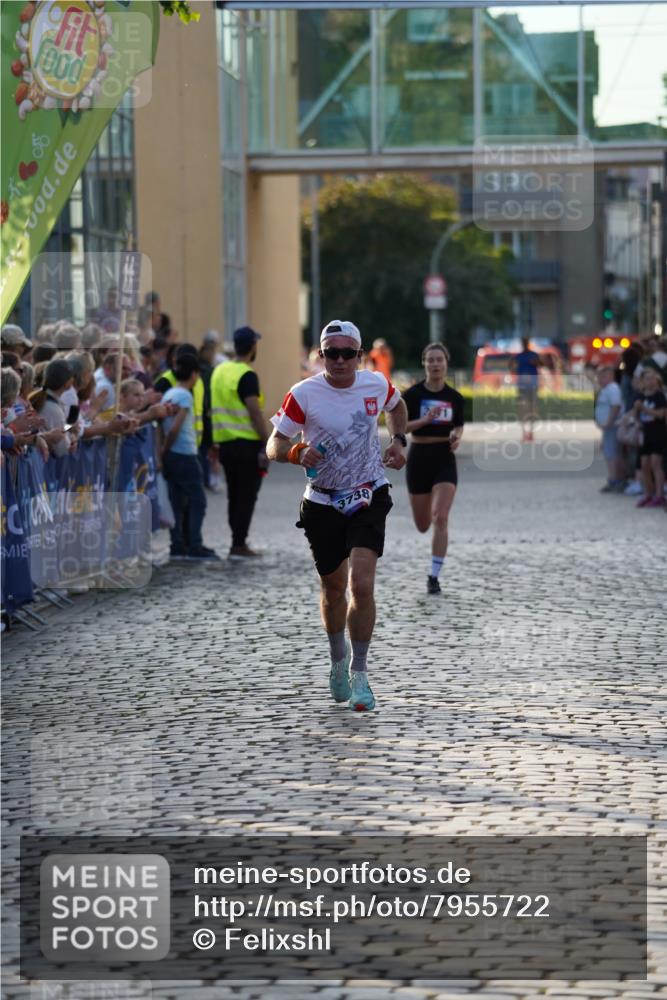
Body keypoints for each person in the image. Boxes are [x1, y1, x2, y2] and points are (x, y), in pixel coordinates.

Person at [266, 319, 408, 712]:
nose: (340, 360)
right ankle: (337, 660)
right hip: (322, 501)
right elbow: (274, 444)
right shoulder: (304, 393)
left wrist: (398, 440)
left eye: (348, 353)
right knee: (333, 588)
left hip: (368, 493)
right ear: (321, 355)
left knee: (361, 584)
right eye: (332, 353)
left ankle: (360, 673)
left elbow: (397, 406)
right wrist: (296, 452)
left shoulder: (375, 384)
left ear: (360, 355)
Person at [402, 342, 464, 595]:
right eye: (431, 360)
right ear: (424, 364)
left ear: (446, 363)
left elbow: (458, 425)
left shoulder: (455, 397)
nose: (435, 364)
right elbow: (401, 427)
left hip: (444, 457)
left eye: (439, 359)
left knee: (441, 517)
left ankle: (434, 576)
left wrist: (457, 437)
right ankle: (426, 513)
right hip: (419, 457)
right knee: (423, 524)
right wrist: (425, 420)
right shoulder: (413, 395)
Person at [211, 326, 269, 559]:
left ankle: (237, 540)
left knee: (234, 495)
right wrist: (267, 441)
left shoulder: (219, 370)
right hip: (247, 444)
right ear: (253, 346)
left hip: (225, 443)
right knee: (246, 495)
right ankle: (238, 544)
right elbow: (254, 412)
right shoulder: (247, 374)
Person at [161, 354, 220, 560]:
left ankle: (177, 545)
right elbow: (174, 429)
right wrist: (165, 449)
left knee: (177, 501)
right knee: (198, 501)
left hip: (173, 456)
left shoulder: (168, 394)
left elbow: (163, 426)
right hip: (185, 453)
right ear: (194, 374)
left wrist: (163, 452)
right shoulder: (185, 396)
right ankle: (195, 544)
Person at [633, 368, 666, 508]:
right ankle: (648, 494)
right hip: (645, 434)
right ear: (642, 381)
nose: (651, 381)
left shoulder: (659, 396)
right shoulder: (640, 396)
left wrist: (644, 409)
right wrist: (636, 415)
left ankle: (659, 495)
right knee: (644, 465)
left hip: (658, 433)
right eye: (648, 379)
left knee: (655, 464)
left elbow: (661, 414)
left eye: (653, 378)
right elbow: (636, 416)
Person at [594, 365, 623, 493]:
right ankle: (613, 479)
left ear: (610, 376)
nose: (599, 379)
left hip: (612, 427)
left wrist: (609, 422)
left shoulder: (613, 388)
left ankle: (615, 480)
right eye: (599, 377)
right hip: (608, 428)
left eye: (602, 376)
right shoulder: (605, 389)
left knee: (612, 454)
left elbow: (615, 406)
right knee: (608, 453)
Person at [511, 336, 542, 441]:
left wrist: (536, 362)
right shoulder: (518, 357)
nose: (524, 344)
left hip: (532, 385)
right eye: (523, 342)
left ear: (527, 343)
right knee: (523, 408)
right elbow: (512, 368)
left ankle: (531, 432)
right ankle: (524, 432)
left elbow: (542, 364)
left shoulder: (534, 355)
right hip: (522, 385)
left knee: (532, 408)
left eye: (525, 342)